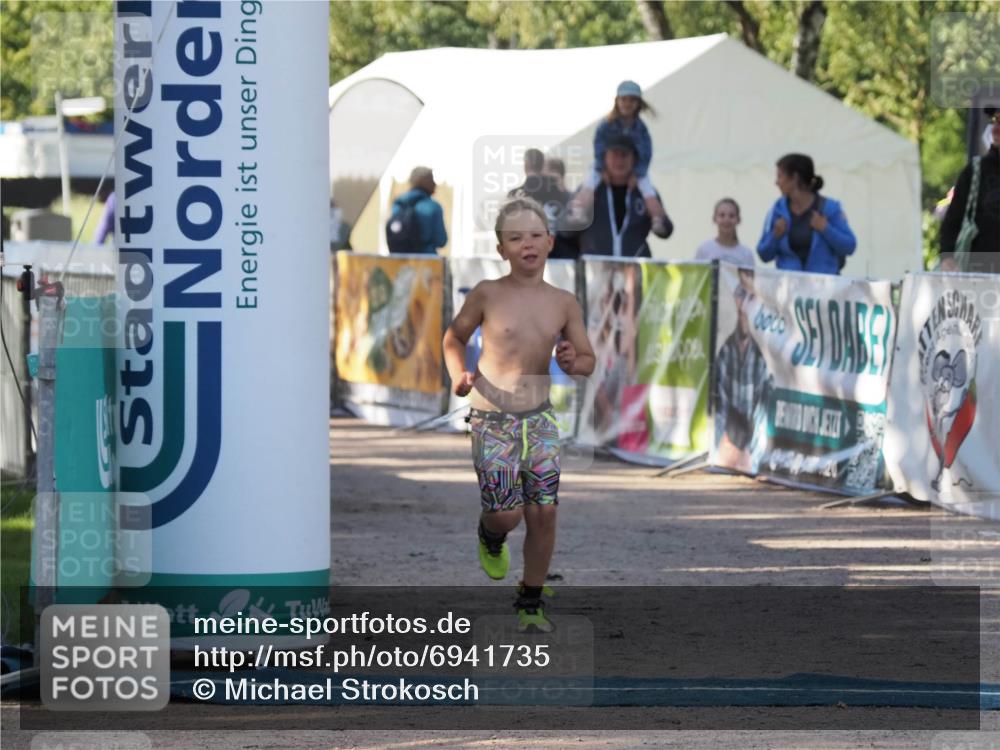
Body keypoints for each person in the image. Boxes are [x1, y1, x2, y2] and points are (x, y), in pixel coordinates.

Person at [443, 197, 595, 633]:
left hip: (540, 420)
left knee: (544, 512)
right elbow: (453, 338)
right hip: (492, 419)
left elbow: (587, 359)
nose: (526, 244)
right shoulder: (487, 293)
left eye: (534, 236)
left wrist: (572, 361)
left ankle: (530, 600)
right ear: (501, 249)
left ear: (549, 242)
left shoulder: (564, 303)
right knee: (507, 515)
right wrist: (458, 374)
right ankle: (490, 534)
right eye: (515, 238)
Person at [574, 80, 668, 234]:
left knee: (648, 191)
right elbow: (598, 145)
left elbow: (646, 152)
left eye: (632, 100)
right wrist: (602, 168)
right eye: (624, 99)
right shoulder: (606, 124)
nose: (627, 104)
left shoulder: (641, 128)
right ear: (617, 101)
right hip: (604, 166)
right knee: (589, 184)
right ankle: (578, 212)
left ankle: (657, 218)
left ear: (638, 103)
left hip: (634, 170)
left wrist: (637, 173)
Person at [562, 134, 672, 258]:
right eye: (614, 154)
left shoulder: (645, 193)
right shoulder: (589, 190)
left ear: (634, 159)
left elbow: (666, 231)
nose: (619, 161)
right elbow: (566, 230)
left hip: (634, 270)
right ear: (604, 158)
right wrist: (588, 189)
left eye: (624, 155)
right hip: (597, 270)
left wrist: (650, 197)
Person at [756, 153, 856, 275]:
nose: (776, 182)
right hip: (789, 289)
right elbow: (763, 255)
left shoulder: (830, 209)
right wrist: (774, 237)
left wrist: (826, 229)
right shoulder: (777, 210)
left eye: (780, 176)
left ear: (794, 177)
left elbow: (850, 246)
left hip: (824, 289)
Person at [714, 268, 771, 473]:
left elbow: (763, 414)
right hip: (728, 444)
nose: (744, 304)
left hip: (750, 450)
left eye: (750, 296)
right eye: (740, 295)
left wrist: (752, 455)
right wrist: (723, 444)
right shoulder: (725, 350)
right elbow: (720, 407)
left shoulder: (764, 355)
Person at [940, 107, 1000, 273]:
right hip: (977, 276)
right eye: (994, 121)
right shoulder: (975, 170)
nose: (995, 128)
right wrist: (947, 257)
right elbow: (953, 219)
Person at [386, 166, 448, 254]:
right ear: (426, 182)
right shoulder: (433, 207)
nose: (435, 184)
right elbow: (441, 241)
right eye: (432, 179)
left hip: (399, 261)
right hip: (426, 262)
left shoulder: (398, 203)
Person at [695, 198, 755, 267]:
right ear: (714, 219)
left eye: (731, 216)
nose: (726, 220)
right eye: (722, 215)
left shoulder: (746, 254)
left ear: (738, 220)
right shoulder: (704, 250)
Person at [541, 157, 577, 260]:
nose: (550, 182)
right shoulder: (538, 198)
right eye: (546, 178)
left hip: (566, 255)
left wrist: (561, 189)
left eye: (553, 179)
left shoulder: (571, 197)